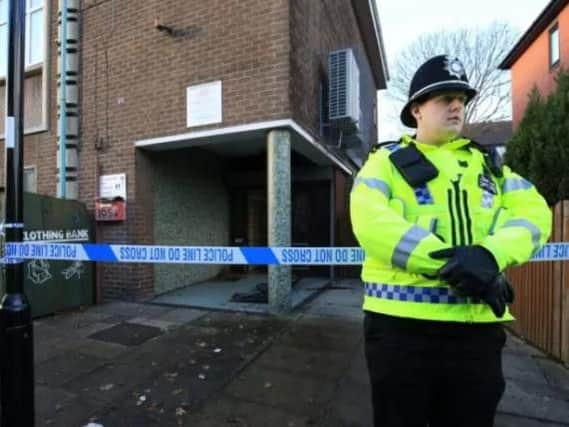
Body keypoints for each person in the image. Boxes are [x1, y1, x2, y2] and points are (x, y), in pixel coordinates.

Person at [350, 54, 552, 427]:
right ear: (416, 110)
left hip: (476, 332)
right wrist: (460, 265)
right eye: (444, 98)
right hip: (400, 330)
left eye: (460, 98)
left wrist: (491, 255)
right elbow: (372, 224)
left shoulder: (491, 167)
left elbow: (535, 214)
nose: (456, 105)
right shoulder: (385, 163)